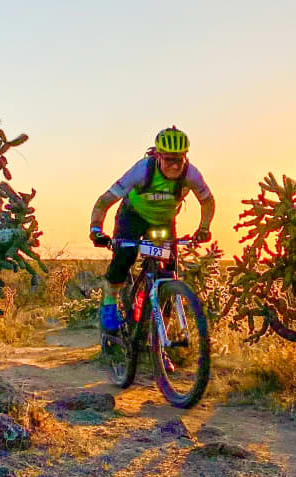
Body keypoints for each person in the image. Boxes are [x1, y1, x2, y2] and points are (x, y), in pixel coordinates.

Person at [89, 126, 215, 333]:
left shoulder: (191, 174)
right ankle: (109, 306)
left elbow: (207, 201)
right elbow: (104, 201)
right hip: (132, 216)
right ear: (158, 156)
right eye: (169, 160)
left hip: (163, 221)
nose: (175, 166)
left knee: (168, 272)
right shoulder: (142, 171)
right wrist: (96, 230)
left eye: (179, 160)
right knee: (124, 256)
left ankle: (159, 334)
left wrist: (204, 228)